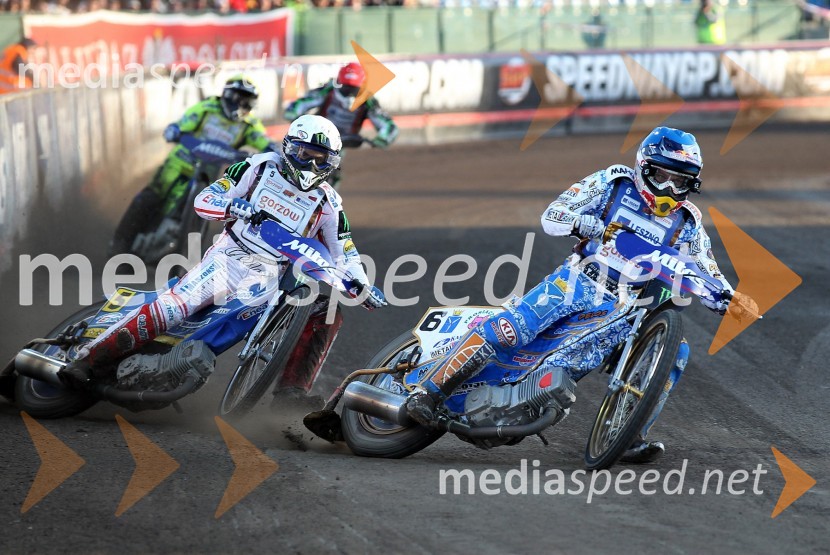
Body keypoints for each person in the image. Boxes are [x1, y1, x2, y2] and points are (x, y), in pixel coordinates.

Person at [405, 127, 758, 463]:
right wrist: (581, 223)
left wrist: (729, 298)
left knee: (671, 352)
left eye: (679, 181)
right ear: (643, 167)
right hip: (576, 280)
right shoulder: (614, 181)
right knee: (511, 329)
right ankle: (428, 390)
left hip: (624, 308)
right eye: (662, 176)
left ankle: (628, 433)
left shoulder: (689, 221)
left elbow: (704, 268)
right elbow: (552, 215)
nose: (668, 187)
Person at [62, 115, 387, 397]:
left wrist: (362, 284)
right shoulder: (257, 168)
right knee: (175, 306)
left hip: (273, 275)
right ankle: (87, 360)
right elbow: (206, 199)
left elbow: (345, 252)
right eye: (307, 155)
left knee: (325, 311)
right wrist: (233, 206)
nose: (314, 166)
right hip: (229, 257)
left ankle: (291, 395)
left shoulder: (329, 203)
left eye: (323, 160)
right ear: (289, 149)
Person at [108, 75, 278, 256]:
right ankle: (119, 245)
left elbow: (263, 141)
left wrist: (273, 151)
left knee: (212, 203)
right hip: (180, 162)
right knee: (150, 196)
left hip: (209, 172)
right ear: (227, 95)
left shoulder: (249, 124)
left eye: (247, 102)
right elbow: (185, 123)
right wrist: (175, 130)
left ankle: (188, 254)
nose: (241, 105)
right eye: (238, 98)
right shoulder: (207, 108)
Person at [284, 62, 398, 189]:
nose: (350, 94)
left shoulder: (368, 101)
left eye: (354, 90)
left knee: (331, 173)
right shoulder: (328, 90)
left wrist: (381, 139)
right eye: (346, 88)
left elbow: (388, 125)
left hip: (341, 142)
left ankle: (320, 202)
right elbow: (298, 105)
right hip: (315, 136)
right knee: (293, 157)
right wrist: (298, 118)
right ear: (339, 83)